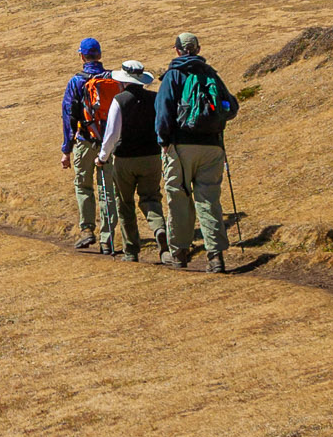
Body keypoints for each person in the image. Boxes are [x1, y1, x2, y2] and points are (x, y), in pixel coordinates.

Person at [154, 31, 240, 273]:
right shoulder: (211, 75)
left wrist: (163, 141)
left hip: (180, 146)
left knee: (179, 198)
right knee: (209, 199)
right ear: (199, 49)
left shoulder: (173, 75)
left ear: (177, 51)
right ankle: (216, 258)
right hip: (212, 146)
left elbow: (163, 111)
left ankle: (179, 253)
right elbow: (232, 107)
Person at [96, 59, 167, 263]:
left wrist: (102, 157)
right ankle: (159, 229)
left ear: (124, 80)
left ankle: (131, 250)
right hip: (152, 157)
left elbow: (111, 134)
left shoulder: (120, 100)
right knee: (151, 198)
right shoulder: (155, 98)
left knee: (125, 204)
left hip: (125, 159)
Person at [58, 37, 119, 253]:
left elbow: (68, 117)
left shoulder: (76, 81)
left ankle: (86, 230)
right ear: (99, 55)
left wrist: (67, 149)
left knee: (83, 186)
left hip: (84, 140)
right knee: (107, 189)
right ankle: (108, 238)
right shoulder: (113, 78)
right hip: (109, 142)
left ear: (82, 56)